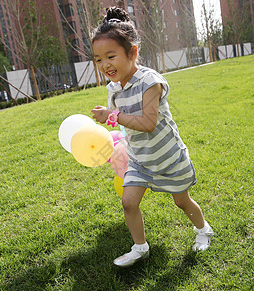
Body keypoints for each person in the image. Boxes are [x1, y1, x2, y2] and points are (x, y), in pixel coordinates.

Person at [91, 7, 214, 268]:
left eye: (110, 56)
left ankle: (203, 230)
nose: (104, 65)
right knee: (128, 202)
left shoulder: (151, 82)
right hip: (141, 160)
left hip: (168, 156)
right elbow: (125, 125)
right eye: (98, 59)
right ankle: (140, 247)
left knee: (182, 201)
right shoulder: (113, 89)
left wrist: (111, 117)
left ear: (132, 52)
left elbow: (147, 123)